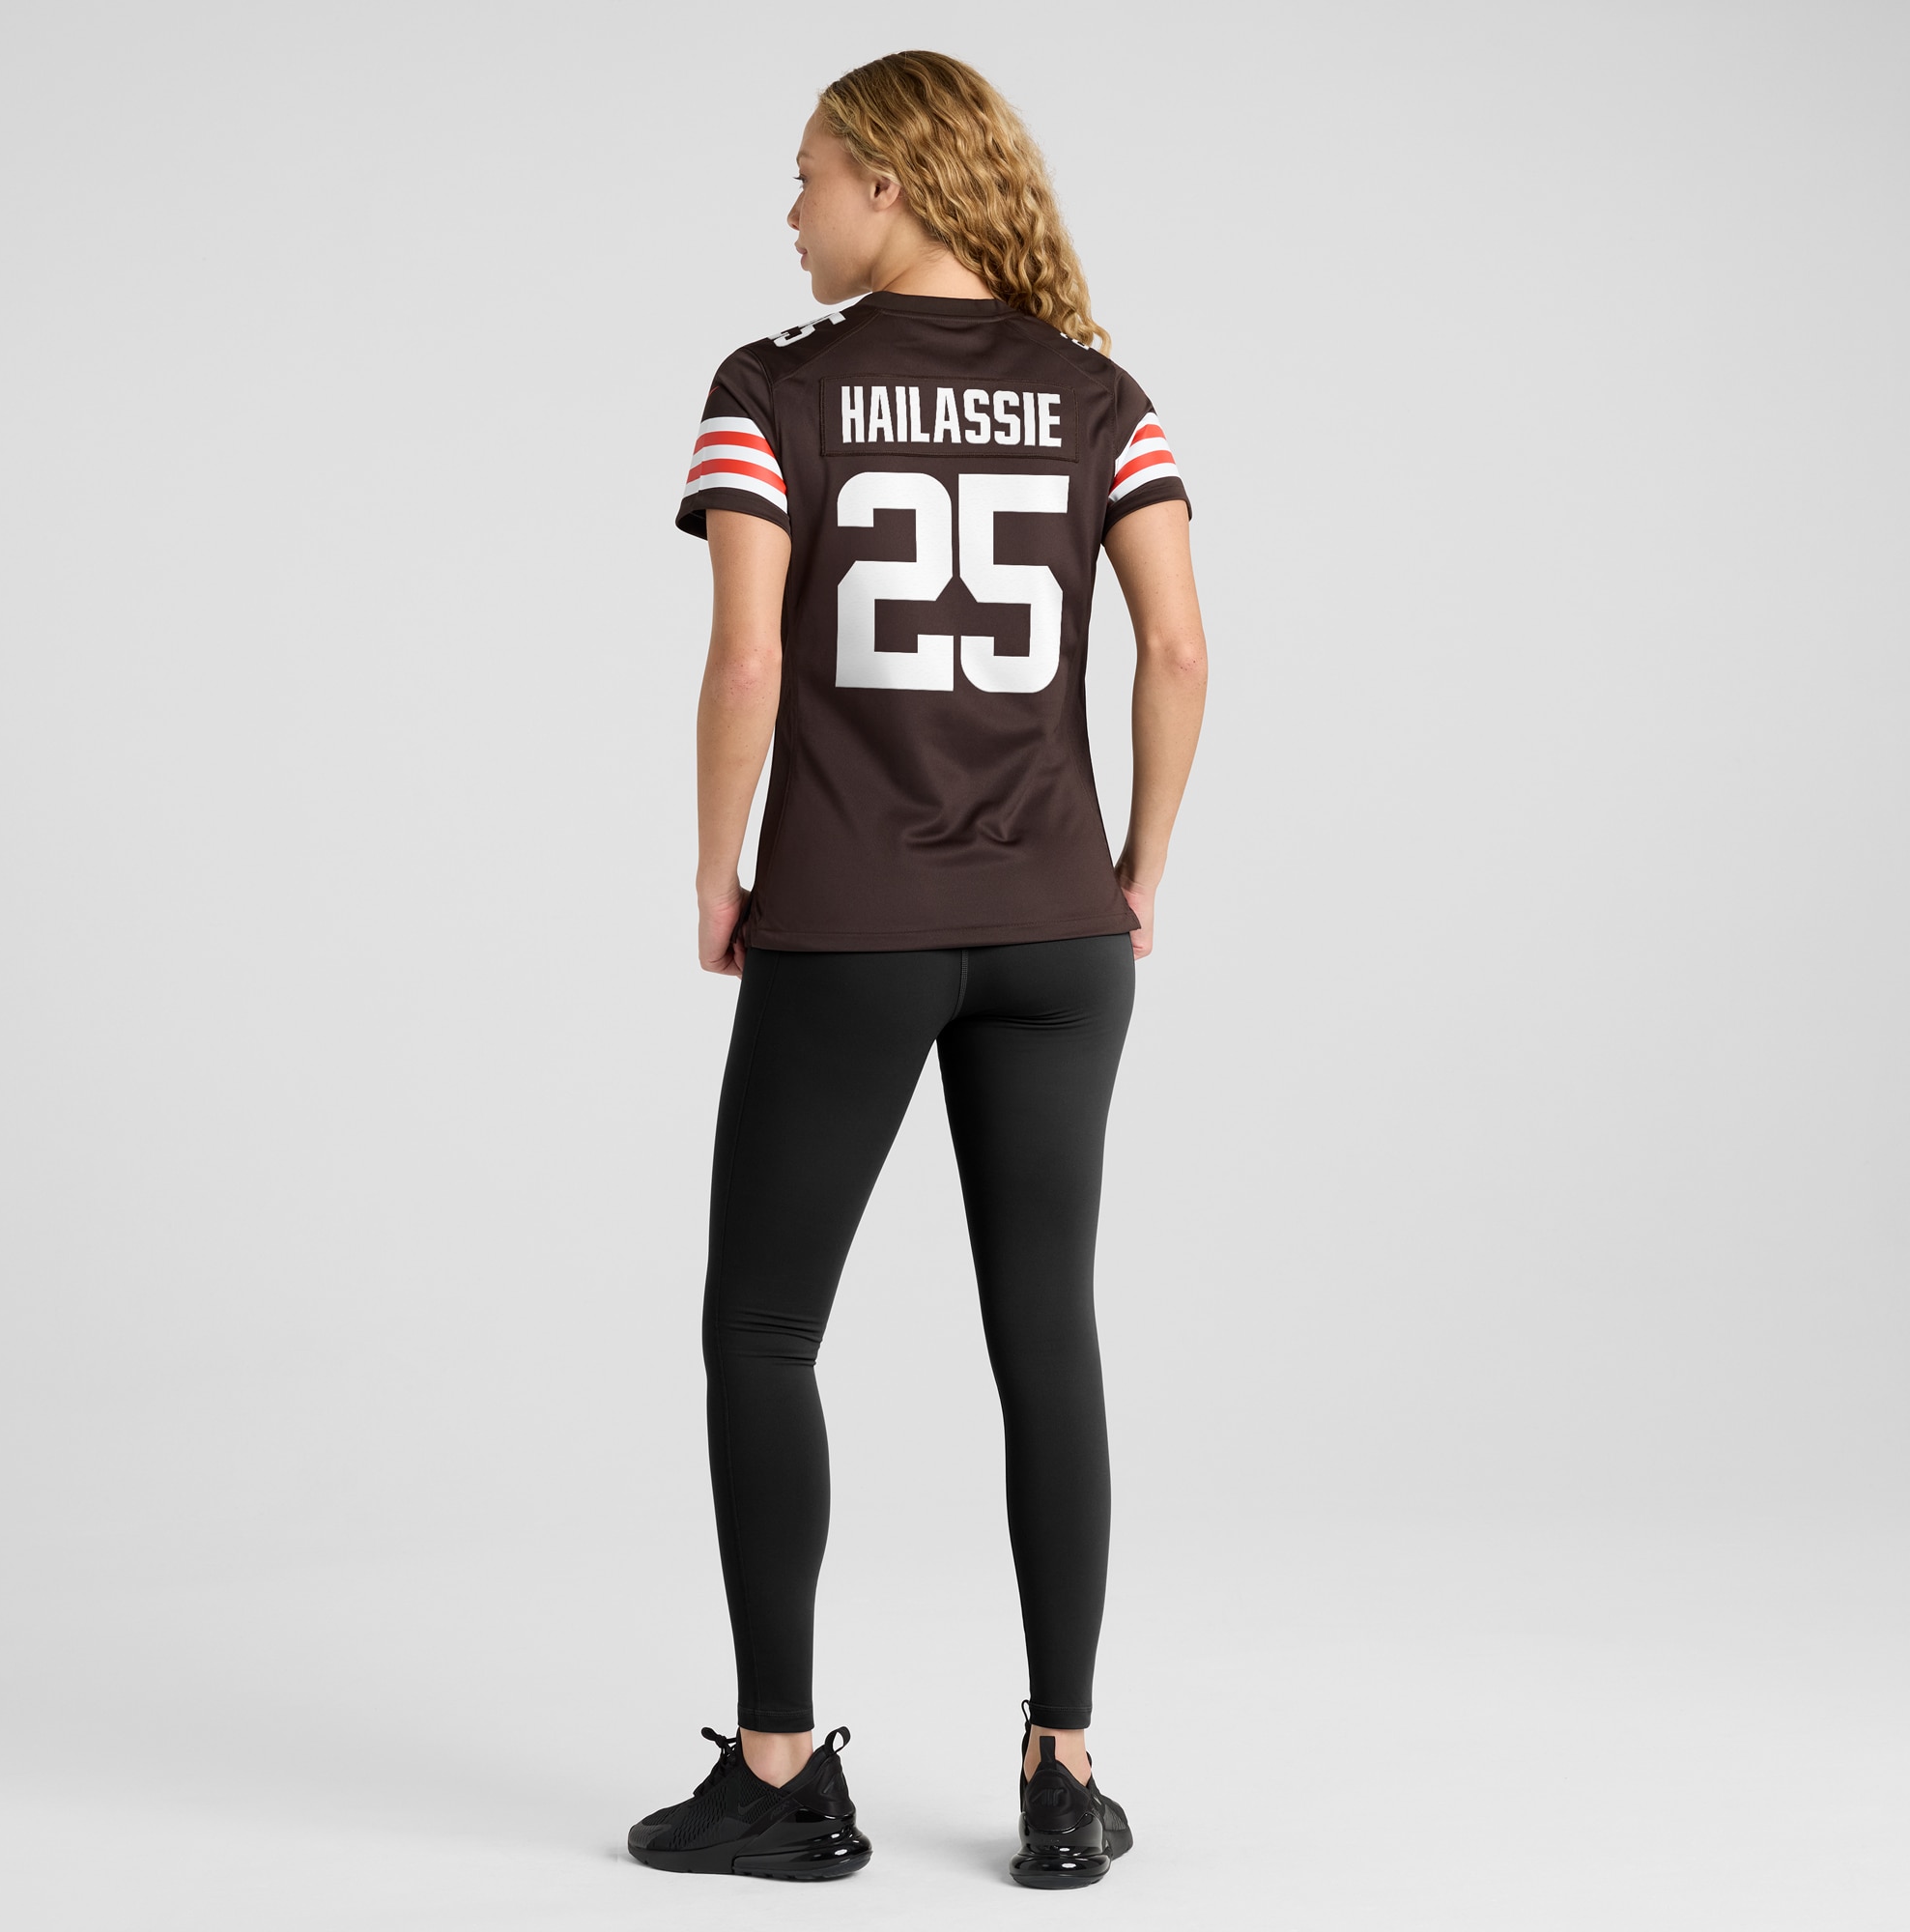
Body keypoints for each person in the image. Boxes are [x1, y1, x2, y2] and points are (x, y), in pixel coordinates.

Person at [626, 50, 1207, 1889]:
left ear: (889, 180)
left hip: (850, 924)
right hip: (1060, 930)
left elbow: (745, 664)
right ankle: (1064, 1770)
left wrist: (716, 871)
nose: (790, 208)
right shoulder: (1101, 395)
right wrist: (1135, 869)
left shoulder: (769, 390)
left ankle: (781, 1777)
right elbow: (1178, 654)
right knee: (1047, 1331)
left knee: (763, 1328)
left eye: (808, 172)